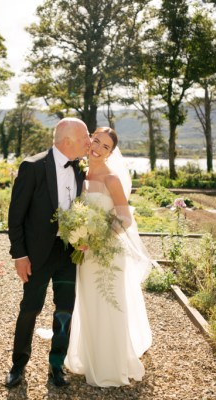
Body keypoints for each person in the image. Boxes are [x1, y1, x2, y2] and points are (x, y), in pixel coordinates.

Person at [65, 127, 154, 387]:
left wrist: (96, 239)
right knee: (87, 305)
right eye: (96, 141)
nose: (98, 148)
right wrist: (76, 233)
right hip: (83, 254)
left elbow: (125, 219)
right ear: (89, 139)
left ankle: (109, 365)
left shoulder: (112, 179)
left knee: (109, 305)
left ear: (111, 153)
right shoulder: (78, 172)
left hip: (106, 255)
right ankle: (87, 356)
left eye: (106, 147)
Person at [5, 117, 91, 388]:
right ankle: (18, 366)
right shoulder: (32, 167)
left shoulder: (80, 168)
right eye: (85, 136)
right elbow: (15, 216)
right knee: (30, 308)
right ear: (68, 141)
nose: (89, 142)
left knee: (64, 309)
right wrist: (20, 256)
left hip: (68, 252)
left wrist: (85, 236)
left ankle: (57, 365)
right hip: (37, 255)